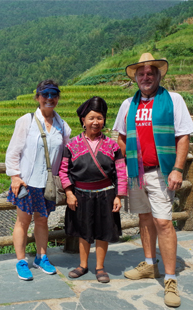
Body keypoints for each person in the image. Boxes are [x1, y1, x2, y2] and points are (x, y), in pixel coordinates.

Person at [113, 53, 193, 307]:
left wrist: (178, 169)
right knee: (144, 218)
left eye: (151, 73)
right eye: (141, 73)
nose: (146, 77)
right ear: (136, 78)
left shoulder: (173, 100)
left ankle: (170, 279)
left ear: (159, 76)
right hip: (137, 172)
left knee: (163, 222)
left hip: (161, 171)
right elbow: (121, 138)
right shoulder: (128, 104)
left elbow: (183, 136)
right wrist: (124, 169)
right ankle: (150, 264)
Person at [6, 79, 72, 281]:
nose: (49, 99)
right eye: (45, 95)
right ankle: (21, 260)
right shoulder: (26, 121)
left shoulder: (63, 126)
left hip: (48, 184)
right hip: (27, 182)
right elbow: (13, 151)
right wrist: (15, 176)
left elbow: (66, 154)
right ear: (38, 97)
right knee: (23, 222)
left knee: (43, 221)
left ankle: (42, 257)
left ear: (58, 98)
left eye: (54, 95)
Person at [58, 96, 127, 283]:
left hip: (106, 194)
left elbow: (121, 171)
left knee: (103, 231)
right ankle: (83, 264)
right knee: (84, 231)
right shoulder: (71, 145)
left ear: (104, 120)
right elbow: (63, 171)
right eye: (91, 118)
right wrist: (70, 193)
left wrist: (119, 196)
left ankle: (100, 267)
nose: (95, 122)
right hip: (80, 195)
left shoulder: (112, 146)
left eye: (99, 118)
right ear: (83, 120)